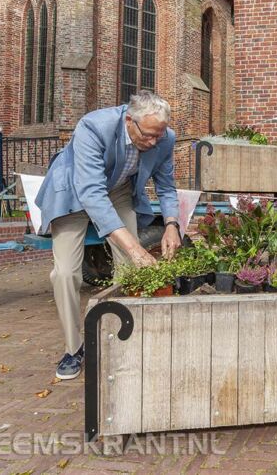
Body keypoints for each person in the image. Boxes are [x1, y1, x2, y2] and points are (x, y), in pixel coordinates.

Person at [36, 90, 181, 379]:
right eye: (148, 136)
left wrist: (171, 225)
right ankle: (74, 348)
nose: (154, 143)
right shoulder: (93, 126)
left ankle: (118, 334)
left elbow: (165, 186)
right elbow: (91, 192)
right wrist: (136, 247)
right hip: (75, 190)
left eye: (158, 136)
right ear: (130, 120)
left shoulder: (165, 138)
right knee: (65, 273)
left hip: (118, 191)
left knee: (128, 266)